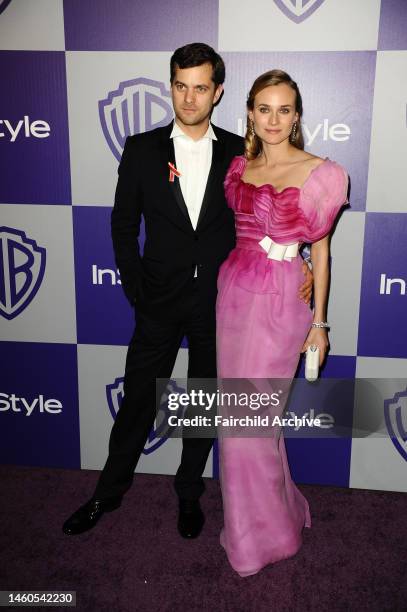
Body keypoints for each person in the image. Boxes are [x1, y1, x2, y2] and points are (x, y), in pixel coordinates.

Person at [62, 45, 312, 539]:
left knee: (201, 401)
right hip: (157, 300)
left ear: (217, 92)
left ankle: (189, 494)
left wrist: (300, 259)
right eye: (181, 85)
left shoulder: (241, 155)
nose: (189, 97)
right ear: (170, 85)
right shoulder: (142, 149)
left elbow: (265, 218)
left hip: (219, 304)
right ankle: (107, 493)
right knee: (137, 400)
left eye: (201, 87)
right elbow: (122, 225)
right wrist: (137, 289)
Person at [216, 69, 348, 576]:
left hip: (280, 301)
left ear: (296, 117)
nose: (274, 119)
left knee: (253, 424)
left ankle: (264, 538)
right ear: (250, 112)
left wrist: (320, 324)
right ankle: (271, 520)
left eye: (284, 110)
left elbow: (323, 252)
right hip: (233, 294)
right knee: (239, 423)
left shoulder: (322, 172)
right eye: (264, 109)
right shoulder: (238, 167)